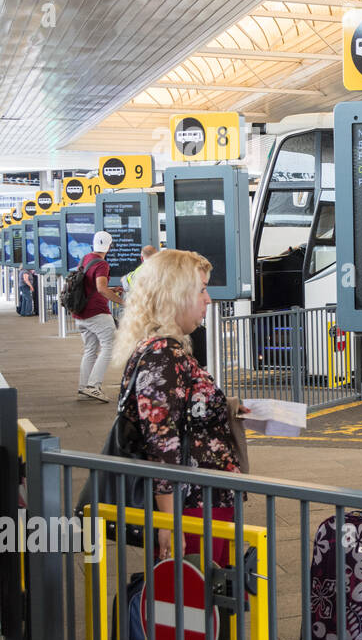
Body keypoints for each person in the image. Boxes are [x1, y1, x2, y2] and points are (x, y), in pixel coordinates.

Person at [111, 249, 245, 562]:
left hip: (202, 499)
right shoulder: (162, 356)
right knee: (193, 599)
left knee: (202, 599)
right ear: (175, 296)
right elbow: (161, 443)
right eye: (201, 289)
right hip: (192, 505)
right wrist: (170, 523)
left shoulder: (166, 351)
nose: (208, 300)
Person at [74, 230, 124, 402]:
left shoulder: (85, 259)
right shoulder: (102, 264)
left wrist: (112, 290)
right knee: (109, 346)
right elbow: (101, 288)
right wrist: (122, 301)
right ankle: (93, 386)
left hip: (80, 313)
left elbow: (91, 286)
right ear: (109, 246)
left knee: (90, 350)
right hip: (96, 313)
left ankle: (83, 386)